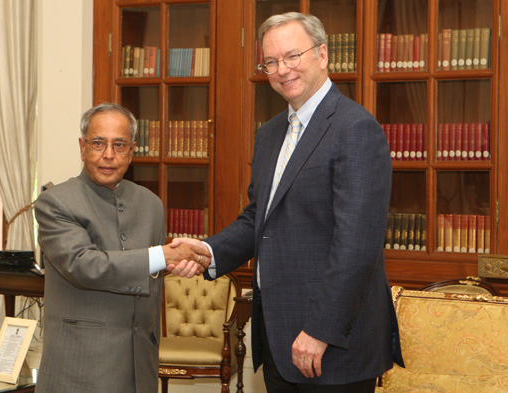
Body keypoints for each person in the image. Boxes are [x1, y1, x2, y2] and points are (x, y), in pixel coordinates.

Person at [169, 12, 404, 393]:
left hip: (331, 344)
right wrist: (209, 251)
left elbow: (357, 246)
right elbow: (259, 219)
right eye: (271, 61)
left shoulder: (355, 128)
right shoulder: (271, 133)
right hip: (278, 337)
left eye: (293, 56)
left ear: (323, 55)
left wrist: (320, 330)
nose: (282, 69)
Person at [34, 103, 210, 393]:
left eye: (119, 145)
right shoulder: (56, 202)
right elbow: (84, 266)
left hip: (141, 363)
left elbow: (143, 273)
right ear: (82, 147)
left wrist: (169, 265)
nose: (108, 155)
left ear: (132, 150)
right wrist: (160, 256)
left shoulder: (151, 204)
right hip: (80, 367)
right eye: (98, 143)